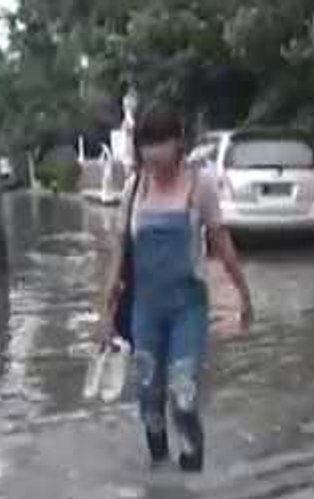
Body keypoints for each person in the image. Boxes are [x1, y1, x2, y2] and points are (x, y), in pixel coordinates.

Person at [99, 101, 253, 472]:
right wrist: (105, 314)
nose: (153, 156)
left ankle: (192, 476)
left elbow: (222, 244)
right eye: (146, 146)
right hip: (146, 312)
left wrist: (244, 296)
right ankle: (160, 476)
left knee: (183, 397)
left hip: (188, 309)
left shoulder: (200, 187)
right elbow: (119, 252)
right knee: (150, 400)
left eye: (160, 144)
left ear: (178, 143)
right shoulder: (135, 189)